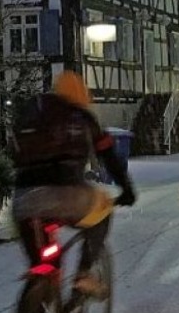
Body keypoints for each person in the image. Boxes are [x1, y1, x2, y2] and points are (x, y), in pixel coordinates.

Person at [9, 70, 136, 296]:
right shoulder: (82, 117)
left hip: (24, 199)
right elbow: (109, 157)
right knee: (103, 212)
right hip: (66, 195)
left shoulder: (34, 113)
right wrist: (126, 189)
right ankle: (84, 274)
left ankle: (36, 308)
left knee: (44, 264)